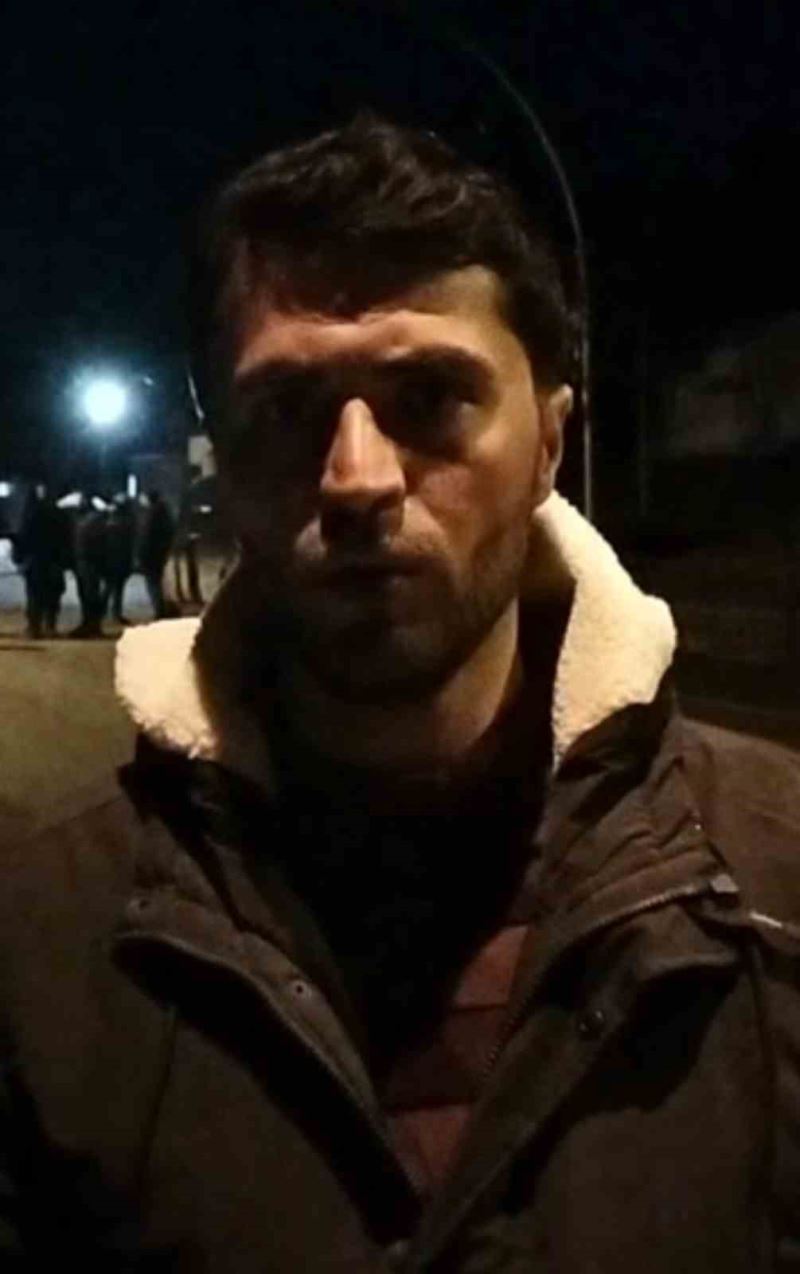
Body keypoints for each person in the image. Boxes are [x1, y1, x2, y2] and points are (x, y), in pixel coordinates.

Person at [1, 113, 800, 1272]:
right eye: (287, 409)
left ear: (549, 442)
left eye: (428, 396)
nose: (356, 476)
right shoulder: (42, 939)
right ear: (224, 451)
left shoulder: (774, 881)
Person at [13, 484, 67, 638]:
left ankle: (37, 627)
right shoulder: (55, 513)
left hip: (42, 561)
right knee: (47, 595)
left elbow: (22, 538)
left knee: (38, 595)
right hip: (46, 561)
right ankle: (45, 626)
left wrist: (19, 558)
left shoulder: (30, 513)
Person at [70, 493, 108, 638]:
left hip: (88, 562)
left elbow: (88, 543)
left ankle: (91, 625)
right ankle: (90, 624)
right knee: (88, 594)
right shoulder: (91, 521)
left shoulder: (89, 522)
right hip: (87, 562)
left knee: (89, 595)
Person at [137, 488, 175, 618]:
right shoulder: (164, 513)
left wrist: (141, 556)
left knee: (153, 584)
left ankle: (159, 610)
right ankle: (162, 609)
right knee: (158, 582)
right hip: (160, 554)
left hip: (151, 556)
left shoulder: (151, 516)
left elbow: (145, 538)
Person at [100, 493, 136, 625]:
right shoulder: (127, 521)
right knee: (115, 589)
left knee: (109, 588)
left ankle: (104, 612)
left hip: (112, 559)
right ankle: (114, 613)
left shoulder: (109, 520)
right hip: (120, 559)